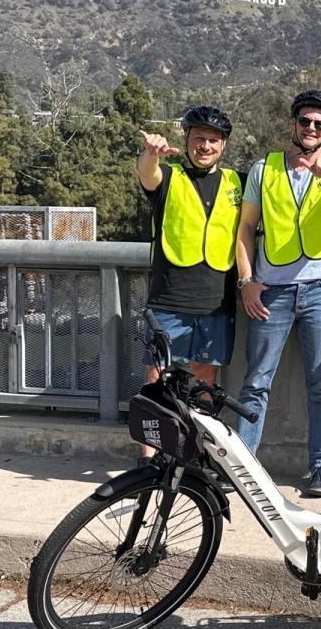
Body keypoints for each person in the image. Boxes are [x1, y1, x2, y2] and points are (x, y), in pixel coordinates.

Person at [233, 90, 321, 497]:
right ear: (293, 124)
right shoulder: (264, 168)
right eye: (305, 121)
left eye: (320, 124)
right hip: (271, 289)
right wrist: (246, 281)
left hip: (319, 288)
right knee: (256, 382)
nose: (311, 128)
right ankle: (243, 466)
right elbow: (245, 229)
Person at [137, 105, 242, 462]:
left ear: (223, 145)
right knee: (157, 376)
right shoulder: (169, 176)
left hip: (217, 300)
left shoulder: (238, 182)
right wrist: (150, 154)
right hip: (169, 297)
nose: (205, 146)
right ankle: (151, 456)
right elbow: (147, 174)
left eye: (213, 140)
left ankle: (196, 453)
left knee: (206, 378)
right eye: (199, 138)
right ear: (187, 139)